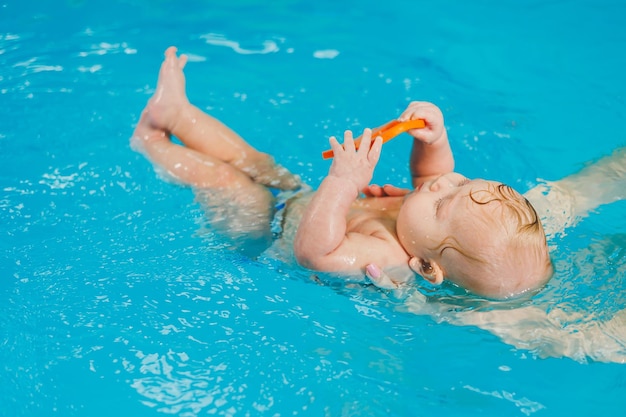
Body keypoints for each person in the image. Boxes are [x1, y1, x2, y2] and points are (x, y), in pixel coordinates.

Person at [131, 46, 553, 300]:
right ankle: (177, 114)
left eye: (445, 200)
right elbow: (432, 177)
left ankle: (150, 142)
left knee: (229, 183)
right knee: (254, 160)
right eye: (463, 182)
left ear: (425, 267)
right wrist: (434, 140)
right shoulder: (426, 220)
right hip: (297, 200)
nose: (445, 182)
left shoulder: (388, 257)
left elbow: (315, 254)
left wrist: (344, 182)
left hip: (264, 233)